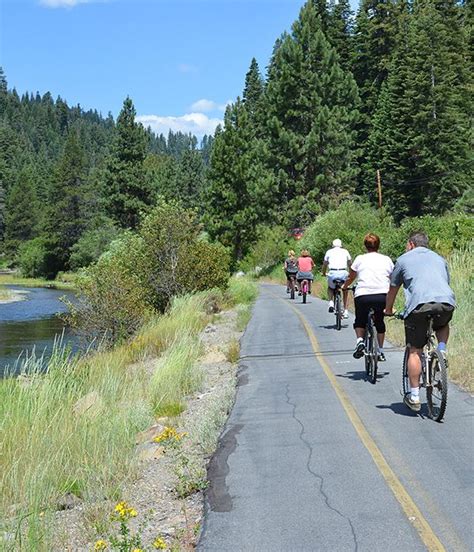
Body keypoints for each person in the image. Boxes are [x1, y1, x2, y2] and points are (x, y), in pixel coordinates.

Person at [385, 232, 455, 412]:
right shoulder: (439, 258)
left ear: (411, 244)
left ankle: (415, 396)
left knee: (415, 350)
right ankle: (441, 350)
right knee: (442, 324)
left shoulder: (403, 259)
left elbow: (393, 288)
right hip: (446, 302)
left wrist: (388, 309)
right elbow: (445, 281)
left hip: (419, 306)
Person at [342, 234, 394, 361]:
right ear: (378, 245)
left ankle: (360, 341)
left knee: (360, 319)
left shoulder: (360, 259)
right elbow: (393, 278)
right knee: (380, 322)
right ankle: (380, 351)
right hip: (382, 295)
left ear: (365, 246)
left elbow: (352, 276)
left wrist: (345, 286)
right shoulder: (386, 259)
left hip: (363, 295)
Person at [322, 238, 352, 318]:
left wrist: (324, 273)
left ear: (333, 245)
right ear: (341, 245)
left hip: (332, 273)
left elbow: (325, 264)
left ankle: (331, 302)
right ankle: (345, 310)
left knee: (330, 288)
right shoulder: (345, 251)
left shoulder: (329, 252)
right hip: (343, 273)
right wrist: (350, 272)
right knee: (345, 290)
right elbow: (349, 263)